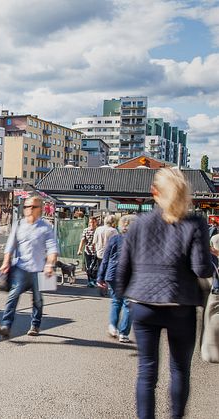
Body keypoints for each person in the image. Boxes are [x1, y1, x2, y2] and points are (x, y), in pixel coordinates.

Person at [115, 168, 214, 419]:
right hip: (180, 304)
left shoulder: (139, 224)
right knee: (180, 369)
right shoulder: (196, 223)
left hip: (144, 304)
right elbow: (200, 268)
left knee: (147, 371)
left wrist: (123, 298)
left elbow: (123, 267)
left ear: (154, 193)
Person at [0, 196, 58, 338]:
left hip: (39, 268)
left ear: (40, 209)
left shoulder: (46, 227)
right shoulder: (19, 224)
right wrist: (5, 262)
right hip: (21, 267)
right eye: (27, 206)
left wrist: (49, 265)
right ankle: (6, 326)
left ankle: (35, 325)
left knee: (38, 299)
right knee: (13, 294)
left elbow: (53, 249)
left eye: (33, 207)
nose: (29, 209)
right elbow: (10, 245)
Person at [97, 215, 136, 343]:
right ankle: (123, 333)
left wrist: (100, 277)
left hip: (113, 274)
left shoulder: (114, 239)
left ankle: (113, 327)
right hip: (130, 275)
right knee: (128, 304)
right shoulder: (138, 241)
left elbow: (105, 260)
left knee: (116, 301)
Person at [78, 216, 99, 287]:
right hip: (87, 251)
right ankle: (90, 281)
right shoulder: (86, 230)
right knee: (88, 267)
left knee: (95, 267)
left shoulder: (98, 230)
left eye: (93, 222)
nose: (92, 224)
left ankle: (94, 280)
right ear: (89, 223)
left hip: (96, 252)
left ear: (96, 222)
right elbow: (83, 240)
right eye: (91, 222)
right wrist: (79, 250)